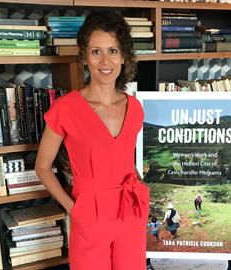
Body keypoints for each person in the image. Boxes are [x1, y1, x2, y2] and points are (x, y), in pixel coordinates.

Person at [35, 11, 149, 270]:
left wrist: (140, 187)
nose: (105, 60)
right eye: (96, 51)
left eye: (113, 50)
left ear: (123, 56)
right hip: (89, 213)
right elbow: (42, 167)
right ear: (85, 57)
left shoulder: (135, 107)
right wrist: (73, 209)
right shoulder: (66, 108)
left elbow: (125, 159)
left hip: (129, 211)